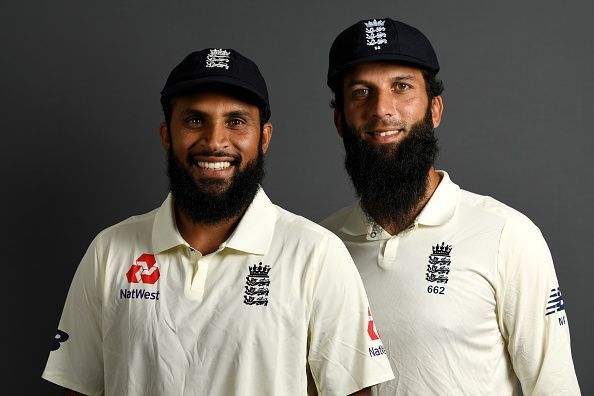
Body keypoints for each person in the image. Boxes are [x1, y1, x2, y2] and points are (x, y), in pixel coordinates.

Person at [42, 48, 394, 396]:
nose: (214, 141)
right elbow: (79, 387)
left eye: (236, 122)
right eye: (195, 120)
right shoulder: (110, 250)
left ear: (264, 138)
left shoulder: (315, 254)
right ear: (167, 135)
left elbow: (353, 391)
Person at [321, 18, 581, 395]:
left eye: (402, 87)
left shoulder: (506, 235)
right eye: (361, 92)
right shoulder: (321, 247)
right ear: (340, 121)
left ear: (435, 109)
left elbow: (554, 386)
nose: (383, 110)